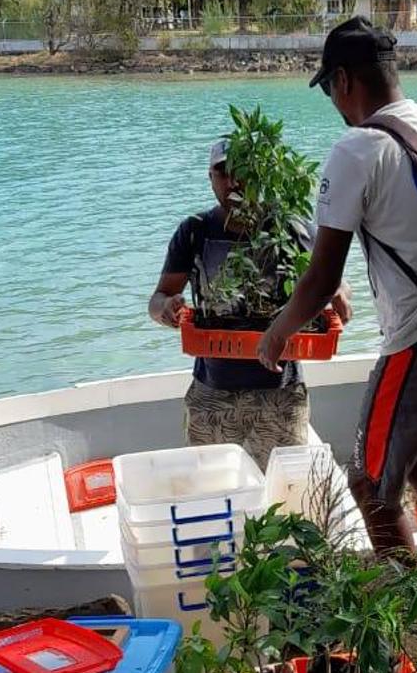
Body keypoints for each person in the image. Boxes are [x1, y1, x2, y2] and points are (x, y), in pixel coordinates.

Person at [256, 17, 417, 578]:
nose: (332, 102)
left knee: (369, 485)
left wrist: (277, 333)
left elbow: (321, 279)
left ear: (344, 80)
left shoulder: (358, 148)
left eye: (327, 89)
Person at [149, 138, 351, 470]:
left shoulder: (290, 227)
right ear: (210, 177)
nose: (233, 182)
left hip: (280, 394)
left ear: (262, 174)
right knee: (211, 494)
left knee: (284, 499)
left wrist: (340, 293)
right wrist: (167, 308)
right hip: (211, 394)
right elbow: (157, 300)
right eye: (222, 172)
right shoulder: (194, 231)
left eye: (242, 171)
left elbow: (329, 279)